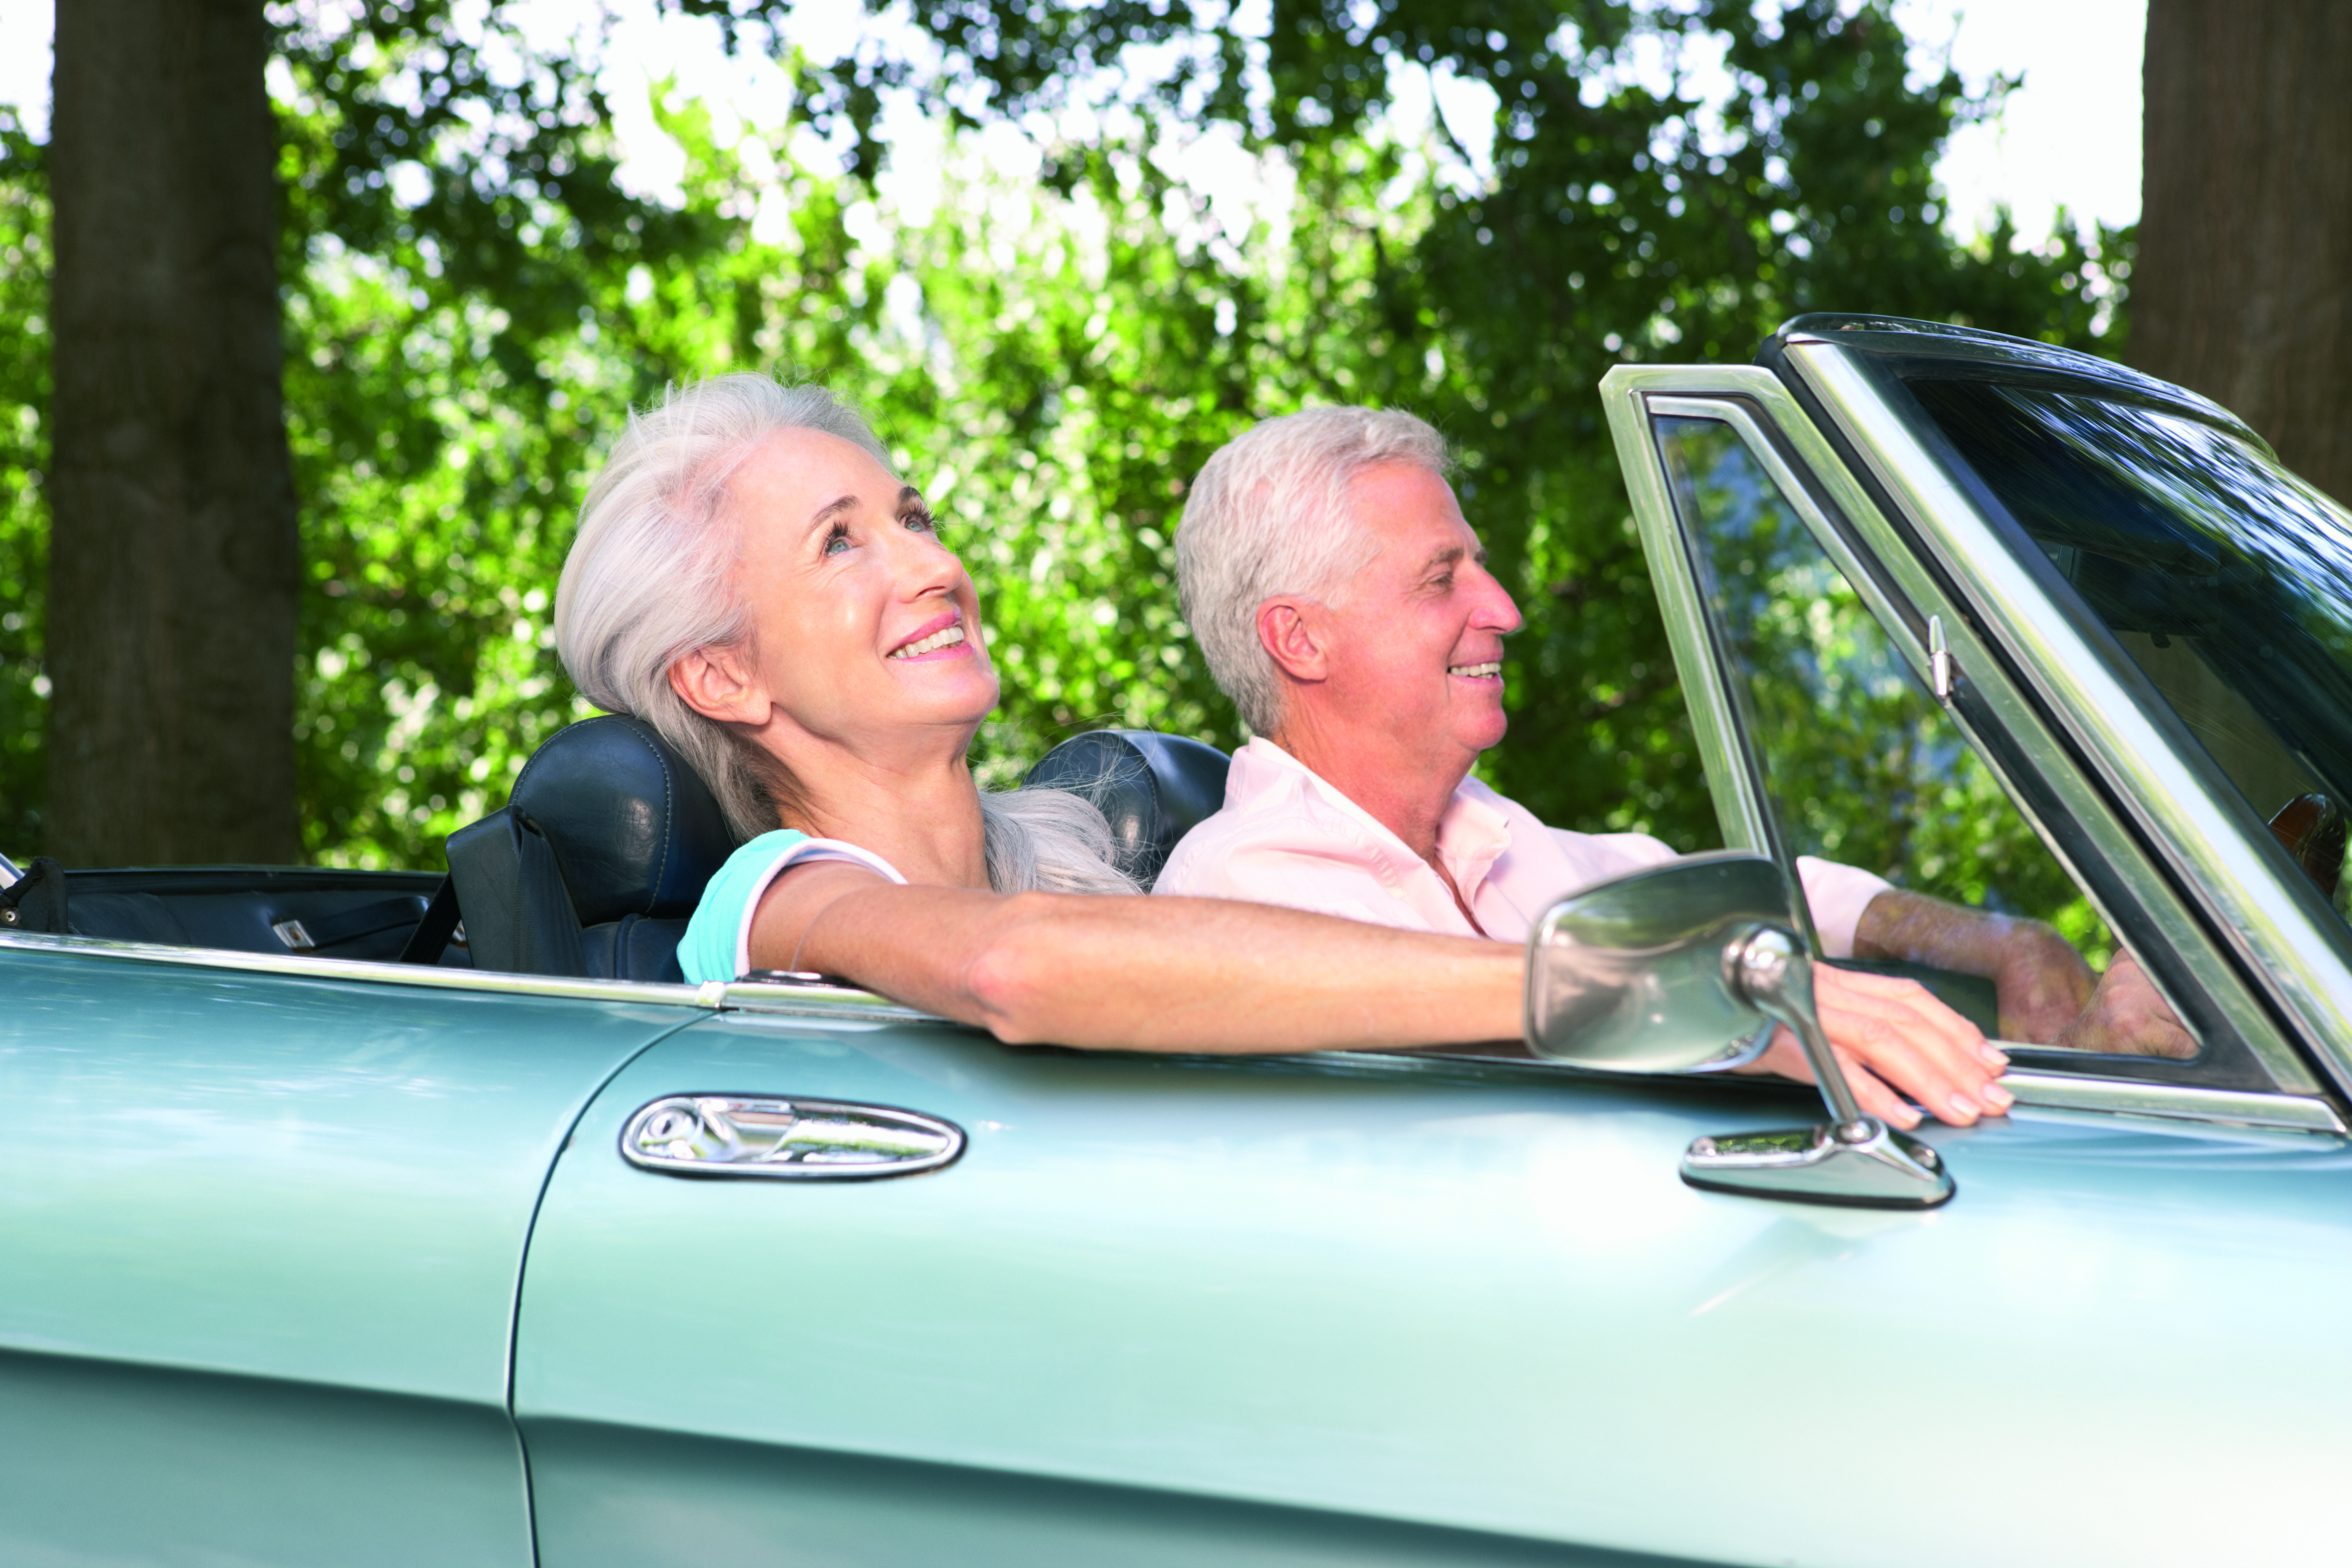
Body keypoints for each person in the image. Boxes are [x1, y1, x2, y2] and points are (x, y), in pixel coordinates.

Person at [551, 374, 2007, 1119]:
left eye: (915, 517)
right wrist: (1616, 988)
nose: (929, 565)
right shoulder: (779, 895)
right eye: (841, 544)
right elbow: (1011, 972)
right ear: (724, 675)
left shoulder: (1090, 857)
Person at [1154, 408, 2182, 1118]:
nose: (1505, 609)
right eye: (1442, 579)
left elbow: (1759, 897)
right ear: (1300, 639)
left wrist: (2003, 941)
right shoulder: (1244, 893)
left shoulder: (1503, 840)